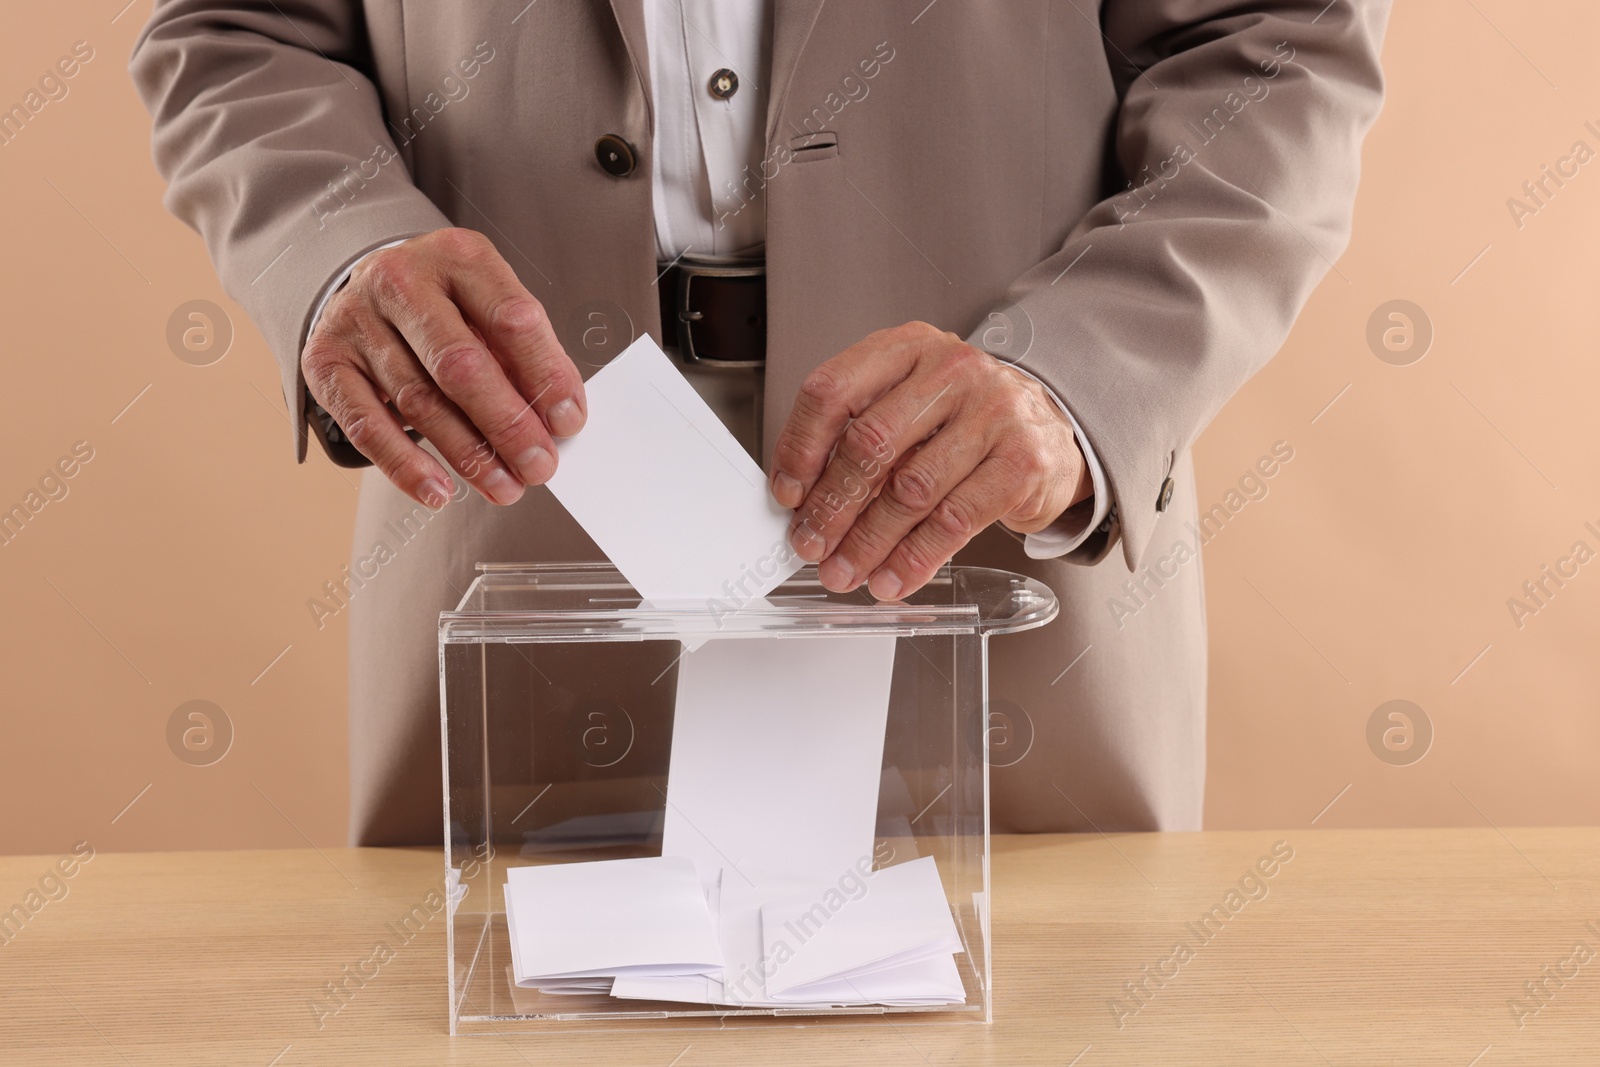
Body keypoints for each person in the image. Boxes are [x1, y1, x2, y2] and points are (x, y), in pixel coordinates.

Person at [131, 0, 1391, 845]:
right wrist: (342, 247)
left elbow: (1281, 41)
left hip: (982, 523)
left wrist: (1078, 373)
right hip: (513, 515)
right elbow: (236, 31)